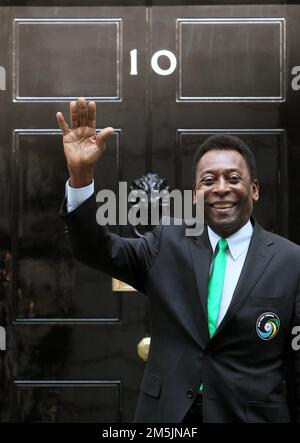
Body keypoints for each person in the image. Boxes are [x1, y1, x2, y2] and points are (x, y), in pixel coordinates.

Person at [57, 97, 300, 423]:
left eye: (233, 178)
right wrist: (81, 173)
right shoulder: (167, 242)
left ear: (254, 189)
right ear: (195, 192)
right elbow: (94, 248)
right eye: (209, 181)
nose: (221, 188)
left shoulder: (291, 261)